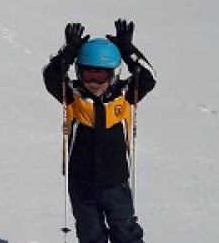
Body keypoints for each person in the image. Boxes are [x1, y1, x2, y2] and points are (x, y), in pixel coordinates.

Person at [43, 19, 156, 243]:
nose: (95, 83)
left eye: (101, 76)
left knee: (125, 232)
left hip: (115, 181)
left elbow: (148, 77)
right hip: (81, 182)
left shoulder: (124, 96)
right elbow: (50, 75)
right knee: (90, 234)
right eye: (88, 76)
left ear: (113, 74)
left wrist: (127, 49)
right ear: (79, 73)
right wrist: (69, 50)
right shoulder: (72, 95)